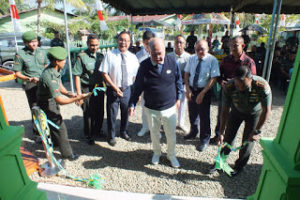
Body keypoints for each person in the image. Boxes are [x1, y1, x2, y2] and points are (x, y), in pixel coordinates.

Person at [129, 37, 183, 168]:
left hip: (169, 107)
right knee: (154, 134)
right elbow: (138, 87)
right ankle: (157, 153)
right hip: (151, 108)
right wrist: (132, 104)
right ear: (149, 51)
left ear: (165, 50)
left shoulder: (172, 61)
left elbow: (178, 81)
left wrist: (179, 98)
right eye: (155, 54)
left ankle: (171, 155)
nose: (158, 56)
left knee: (171, 135)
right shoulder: (144, 66)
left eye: (160, 53)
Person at [210, 65, 272, 176]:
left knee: (248, 142)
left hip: (254, 114)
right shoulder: (229, 86)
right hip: (236, 112)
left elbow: (266, 110)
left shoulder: (262, 86)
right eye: (237, 83)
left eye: (242, 83)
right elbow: (224, 111)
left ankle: (239, 167)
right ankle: (220, 162)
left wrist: (257, 131)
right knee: (228, 138)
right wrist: (221, 132)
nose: (239, 86)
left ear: (250, 78)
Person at [37, 47, 89, 160]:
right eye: (64, 60)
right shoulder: (49, 76)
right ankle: (67, 154)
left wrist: (68, 93)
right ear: (57, 61)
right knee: (60, 128)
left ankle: (55, 142)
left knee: (52, 124)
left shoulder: (55, 69)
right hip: (46, 103)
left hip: (50, 100)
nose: (65, 62)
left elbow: (59, 85)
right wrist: (77, 98)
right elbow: (59, 101)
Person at [211, 36, 257, 145]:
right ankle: (219, 135)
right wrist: (221, 81)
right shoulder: (226, 60)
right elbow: (218, 74)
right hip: (226, 91)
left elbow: (253, 79)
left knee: (235, 117)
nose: (232, 48)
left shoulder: (249, 62)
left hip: (241, 94)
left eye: (235, 45)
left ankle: (229, 138)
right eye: (231, 45)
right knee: (222, 114)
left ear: (243, 45)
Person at [100, 31, 139, 146]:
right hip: (113, 89)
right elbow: (104, 72)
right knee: (112, 114)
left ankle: (123, 131)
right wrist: (114, 87)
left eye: (126, 40)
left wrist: (136, 92)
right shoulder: (110, 55)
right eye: (121, 40)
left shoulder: (133, 57)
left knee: (126, 113)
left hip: (127, 89)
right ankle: (111, 136)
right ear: (117, 41)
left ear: (130, 42)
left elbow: (136, 75)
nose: (123, 43)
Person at [183, 40, 220, 152]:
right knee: (192, 113)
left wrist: (202, 93)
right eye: (197, 49)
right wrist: (188, 89)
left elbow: (214, 78)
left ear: (208, 49)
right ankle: (193, 132)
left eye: (202, 49)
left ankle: (205, 139)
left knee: (204, 116)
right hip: (192, 89)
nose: (199, 51)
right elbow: (186, 73)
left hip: (204, 90)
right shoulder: (192, 58)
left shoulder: (212, 60)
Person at [13, 31, 48, 137]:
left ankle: (47, 129)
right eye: (31, 42)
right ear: (25, 43)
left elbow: (46, 65)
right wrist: (29, 78)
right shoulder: (20, 54)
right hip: (30, 84)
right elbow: (17, 73)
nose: (34, 44)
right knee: (35, 108)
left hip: (43, 83)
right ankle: (37, 133)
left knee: (46, 106)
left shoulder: (42, 52)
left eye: (36, 41)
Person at [73, 34, 105, 145]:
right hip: (86, 87)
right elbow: (76, 75)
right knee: (88, 112)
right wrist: (78, 94)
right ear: (87, 44)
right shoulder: (81, 56)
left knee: (100, 111)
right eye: (92, 45)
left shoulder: (101, 56)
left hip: (99, 87)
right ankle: (89, 134)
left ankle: (97, 130)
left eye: (96, 45)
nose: (94, 47)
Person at [168, 35, 190, 133]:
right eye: (177, 42)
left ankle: (181, 123)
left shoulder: (189, 57)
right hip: (171, 85)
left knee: (182, 104)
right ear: (174, 44)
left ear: (185, 44)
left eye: (181, 42)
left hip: (184, 84)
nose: (179, 44)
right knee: (170, 105)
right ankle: (169, 124)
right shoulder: (168, 56)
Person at [135, 30, 155, 137]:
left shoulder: (157, 52)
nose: (149, 45)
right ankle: (145, 126)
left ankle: (154, 129)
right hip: (144, 85)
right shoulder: (138, 55)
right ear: (143, 42)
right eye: (147, 43)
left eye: (151, 42)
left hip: (155, 85)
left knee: (155, 108)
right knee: (144, 107)